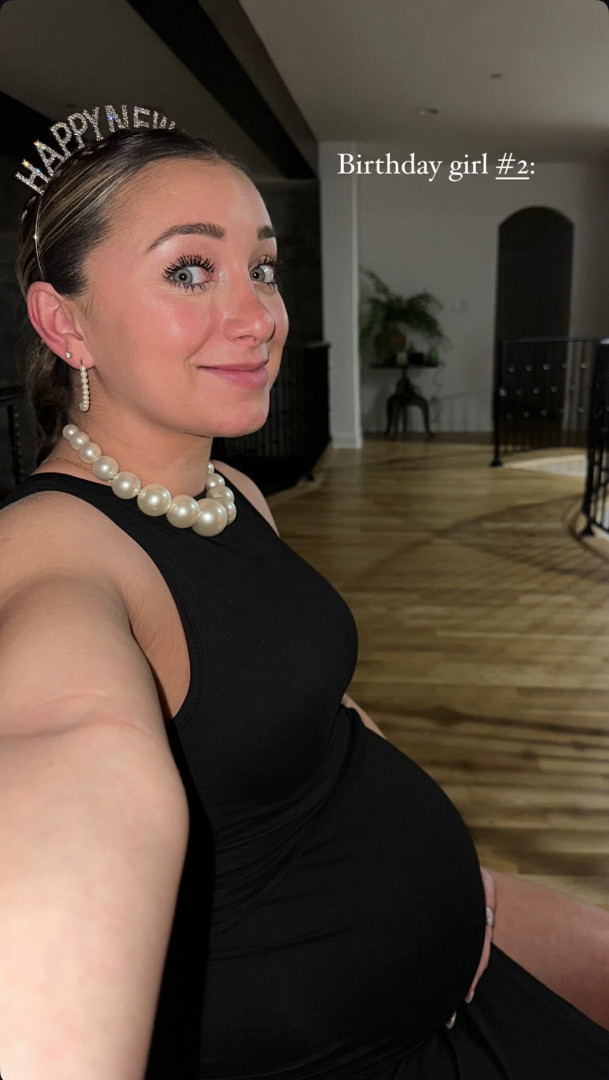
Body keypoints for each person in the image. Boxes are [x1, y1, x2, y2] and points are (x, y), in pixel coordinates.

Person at [0, 120, 608, 1080]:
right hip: (348, 1042)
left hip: (453, 929)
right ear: (64, 323)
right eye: (189, 270)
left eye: (263, 269)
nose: (258, 317)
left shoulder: (233, 494)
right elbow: (66, 751)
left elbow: (310, 706)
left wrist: (442, 878)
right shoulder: (49, 555)